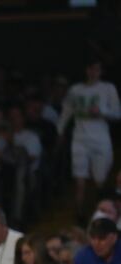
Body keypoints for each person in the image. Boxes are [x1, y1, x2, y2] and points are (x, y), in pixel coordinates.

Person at [57, 60, 121, 216]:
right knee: (80, 181)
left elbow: (117, 113)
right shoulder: (76, 90)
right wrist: (60, 131)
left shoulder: (107, 88)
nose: (93, 72)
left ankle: (99, 212)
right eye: (91, 68)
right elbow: (67, 111)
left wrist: (101, 112)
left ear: (101, 71)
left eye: (97, 69)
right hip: (80, 140)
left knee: (100, 181)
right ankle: (79, 214)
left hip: (100, 139)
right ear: (86, 70)